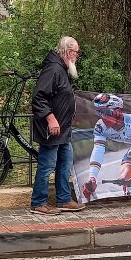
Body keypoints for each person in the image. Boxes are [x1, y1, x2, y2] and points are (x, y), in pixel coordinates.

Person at [29, 36, 86, 215]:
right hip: (52, 128)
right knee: (47, 165)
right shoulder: (53, 69)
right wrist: (50, 118)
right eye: (76, 52)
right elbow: (38, 97)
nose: (77, 56)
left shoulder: (62, 69)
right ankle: (38, 203)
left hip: (64, 129)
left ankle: (64, 199)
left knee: (65, 163)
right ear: (68, 52)